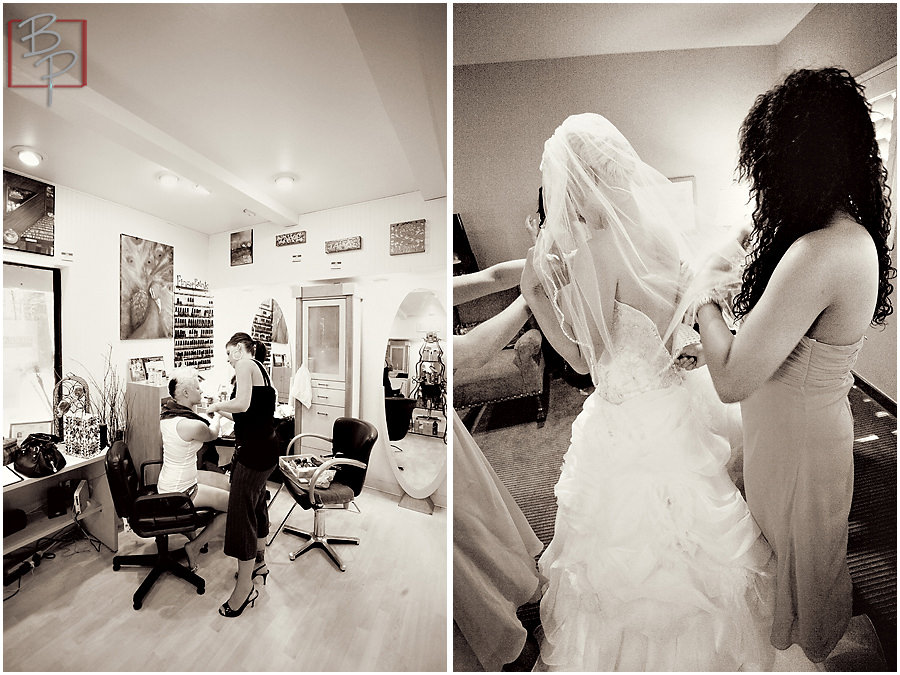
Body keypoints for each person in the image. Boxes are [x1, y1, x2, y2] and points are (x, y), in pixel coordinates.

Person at [519, 113, 783, 671]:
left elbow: (584, 361)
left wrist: (539, 299)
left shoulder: (596, 248)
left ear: (579, 182)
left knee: (625, 560)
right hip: (676, 404)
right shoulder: (660, 233)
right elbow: (689, 313)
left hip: (626, 419)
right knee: (700, 534)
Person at [694, 67, 895, 665]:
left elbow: (730, 379)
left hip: (800, 444)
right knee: (799, 557)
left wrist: (702, 295)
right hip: (794, 428)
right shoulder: (833, 233)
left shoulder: (820, 251)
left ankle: (814, 653)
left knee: (804, 566)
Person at [453, 258, 544, 671]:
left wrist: (540, 256)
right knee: (464, 542)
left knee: (483, 518)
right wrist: (532, 296)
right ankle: (504, 643)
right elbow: (471, 353)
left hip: (451, 436)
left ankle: (513, 590)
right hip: (437, 437)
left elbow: (490, 277)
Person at [206, 333, 280, 618]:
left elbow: (243, 405)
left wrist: (216, 406)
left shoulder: (245, 364)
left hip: (254, 454)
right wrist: (220, 413)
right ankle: (259, 563)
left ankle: (243, 590)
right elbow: (252, 415)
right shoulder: (262, 368)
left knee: (241, 515)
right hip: (267, 449)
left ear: (239, 348)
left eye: (228, 353)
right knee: (257, 505)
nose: (227, 359)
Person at [158, 367, 230, 571]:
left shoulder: (169, 414)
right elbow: (213, 434)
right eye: (198, 388)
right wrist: (217, 414)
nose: (202, 392)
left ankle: (192, 531)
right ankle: (194, 546)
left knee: (225, 483)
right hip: (182, 492)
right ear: (186, 393)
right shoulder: (191, 426)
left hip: (169, 482)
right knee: (233, 505)